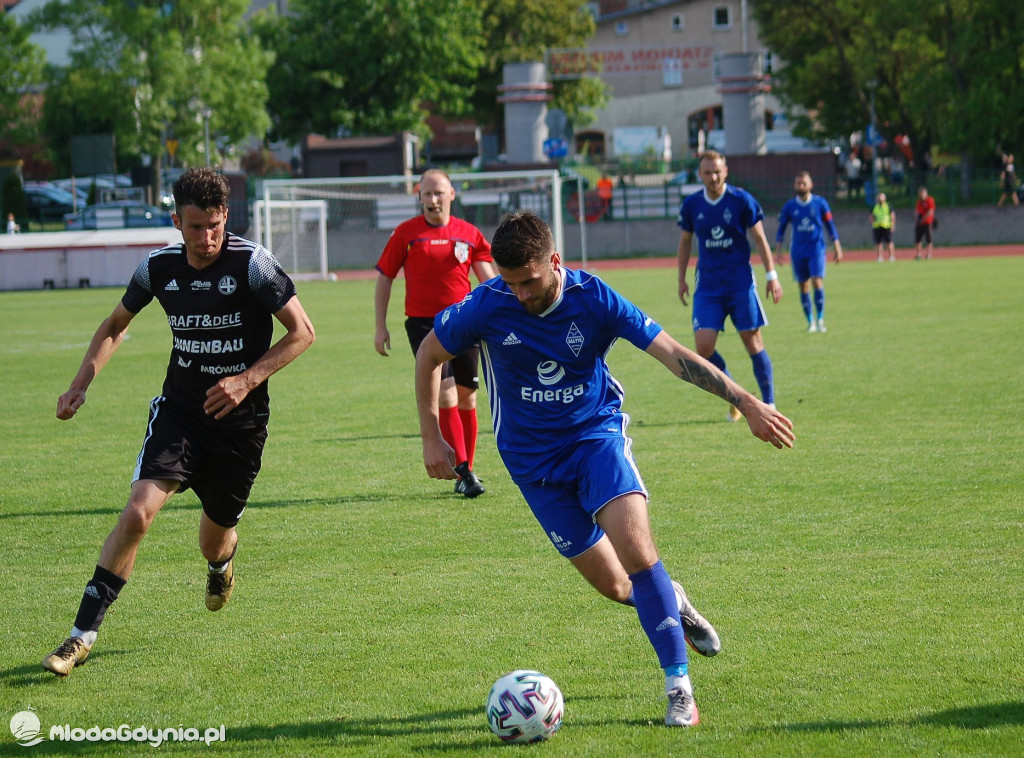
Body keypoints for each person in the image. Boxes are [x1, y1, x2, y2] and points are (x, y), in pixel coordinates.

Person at [414, 210, 795, 727]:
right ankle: (673, 601)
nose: (520, 295)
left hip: (596, 440)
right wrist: (431, 436)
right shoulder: (487, 306)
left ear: (553, 261)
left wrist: (747, 402)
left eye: (528, 281)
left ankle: (678, 687)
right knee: (617, 587)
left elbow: (674, 355)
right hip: (532, 465)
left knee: (638, 553)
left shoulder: (594, 299)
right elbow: (428, 354)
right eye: (511, 284)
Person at [42, 167, 315, 677]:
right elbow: (115, 324)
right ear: (176, 221)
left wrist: (245, 380)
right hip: (181, 414)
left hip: (240, 425)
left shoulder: (252, 264)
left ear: (225, 218)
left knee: (214, 539)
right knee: (139, 512)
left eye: (214, 225)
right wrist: (81, 382)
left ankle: (221, 565)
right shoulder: (158, 269)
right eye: (195, 227)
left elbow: (303, 332)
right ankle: (81, 636)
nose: (206, 237)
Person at [374, 168, 496, 498]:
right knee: (445, 393)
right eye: (426, 193)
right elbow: (385, 277)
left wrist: (506, 316)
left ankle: (465, 466)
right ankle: (465, 471)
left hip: (465, 321)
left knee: (467, 397)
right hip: (425, 325)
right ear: (419, 197)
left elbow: (489, 280)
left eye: (439, 192)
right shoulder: (406, 233)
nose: (433, 199)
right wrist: (379, 325)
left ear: (452, 194)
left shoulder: (469, 233)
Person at [676, 150, 782, 423]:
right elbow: (685, 242)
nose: (713, 176)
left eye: (717, 171)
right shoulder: (692, 205)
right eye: (707, 172)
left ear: (726, 171)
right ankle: (736, 397)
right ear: (700, 174)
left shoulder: (741, 200)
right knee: (703, 347)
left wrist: (772, 275)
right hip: (708, 287)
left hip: (740, 284)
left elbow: (760, 239)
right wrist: (681, 278)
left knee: (752, 341)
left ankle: (768, 402)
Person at [775, 172, 843, 333]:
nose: (801, 186)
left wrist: (837, 246)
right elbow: (781, 229)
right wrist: (778, 250)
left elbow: (830, 226)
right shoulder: (790, 206)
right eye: (798, 183)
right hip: (797, 250)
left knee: (817, 281)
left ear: (811, 184)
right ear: (794, 185)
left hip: (816, 249)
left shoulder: (820, 203)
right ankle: (810, 322)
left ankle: (820, 319)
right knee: (803, 285)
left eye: (804, 183)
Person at [870, 191, 896, 262]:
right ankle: (880, 257)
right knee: (878, 243)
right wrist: (872, 221)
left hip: (886, 226)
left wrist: (893, 225)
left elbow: (892, 216)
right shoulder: (875, 207)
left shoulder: (888, 206)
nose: (880, 200)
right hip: (877, 226)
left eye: (881, 198)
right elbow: (871, 216)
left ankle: (891, 256)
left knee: (889, 242)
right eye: (879, 198)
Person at [914, 186, 936, 260]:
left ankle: (929, 254)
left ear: (925, 193)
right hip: (920, 223)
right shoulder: (919, 201)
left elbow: (930, 211)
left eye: (922, 193)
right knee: (918, 239)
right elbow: (917, 211)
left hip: (927, 222)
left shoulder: (930, 200)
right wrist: (917, 219)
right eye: (920, 194)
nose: (921, 195)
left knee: (929, 239)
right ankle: (919, 254)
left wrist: (922, 219)